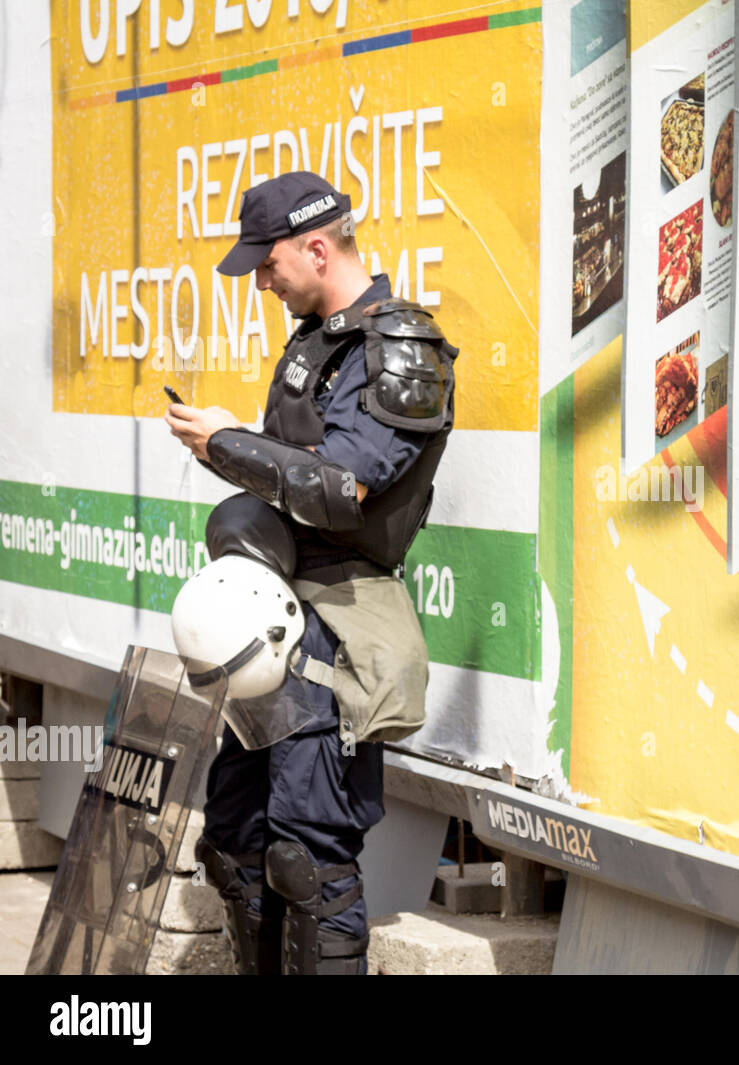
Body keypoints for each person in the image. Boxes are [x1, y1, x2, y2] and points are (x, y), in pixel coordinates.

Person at [165, 171, 456, 974]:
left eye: (269, 263)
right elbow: (291, 468)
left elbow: (343, 487)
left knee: (310, 860)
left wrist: (226, 443)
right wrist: (228, 446)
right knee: (234, 843)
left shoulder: (399, 346)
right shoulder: (314, 343)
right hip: (274, 615)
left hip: (340, 616)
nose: (262, 280)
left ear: (317, 247)